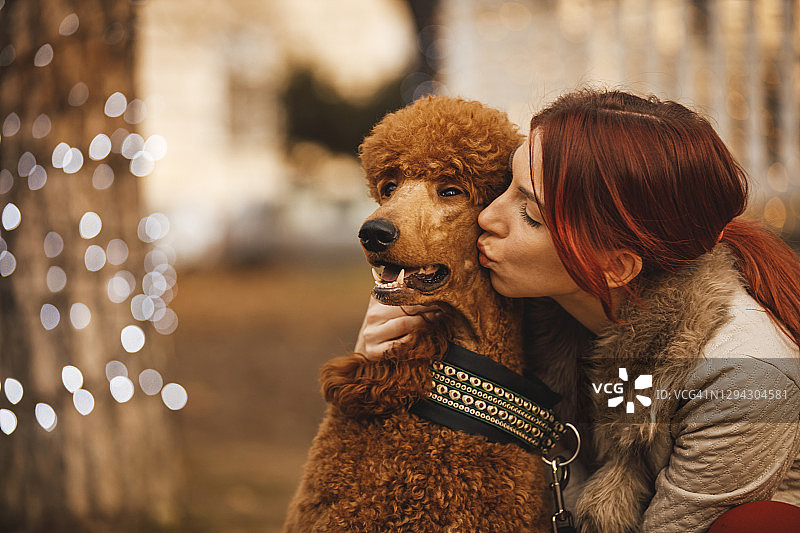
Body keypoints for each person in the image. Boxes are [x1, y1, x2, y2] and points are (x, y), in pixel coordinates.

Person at [353, 89, 800, 532]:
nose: (487, 216)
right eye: (504, 187)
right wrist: (384, 362)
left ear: (614, 266)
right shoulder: (542, 308)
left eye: (529, 214)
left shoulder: (744, 376)